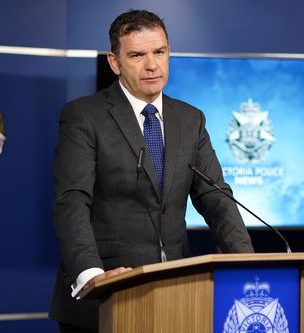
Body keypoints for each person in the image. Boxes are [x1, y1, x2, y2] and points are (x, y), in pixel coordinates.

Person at [49, 9, 254, 333]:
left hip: (177, 299)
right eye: (137, 55)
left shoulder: (190, 119)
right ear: (114, 63)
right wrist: (92, 276)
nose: (151, 65)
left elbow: (217, 199)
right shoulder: (84, 117)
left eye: (159, 52)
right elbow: (71, 200)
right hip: (105, 298)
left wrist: (248, 264)